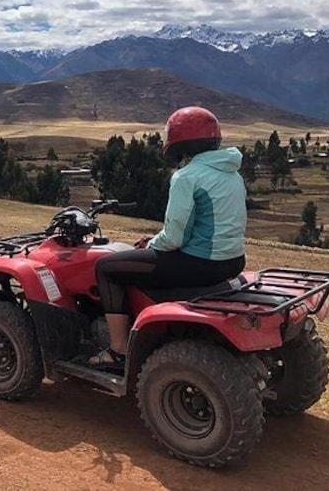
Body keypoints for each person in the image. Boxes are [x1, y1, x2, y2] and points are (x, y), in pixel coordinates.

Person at [89, 106, 247, 369]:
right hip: (232, 261)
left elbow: (174, 238)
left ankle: (118, 351)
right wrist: (156, 241)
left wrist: (151, 244)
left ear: (178, 141)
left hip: (200, 263)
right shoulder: (231, 173)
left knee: (106, 267)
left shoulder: (187, 177)